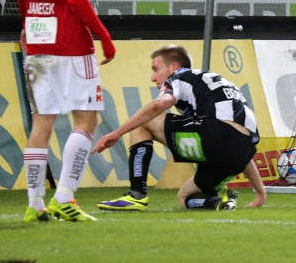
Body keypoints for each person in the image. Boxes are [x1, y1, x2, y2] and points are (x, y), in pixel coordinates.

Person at [18, 0, 116, 223]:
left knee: (42, 121)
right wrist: (103, 34)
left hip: (39, 40)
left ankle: (34, 205)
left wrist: (27, 25)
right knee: (86, 118)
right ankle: (65, 197)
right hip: (71, 44)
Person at [92, 44, 267, 210]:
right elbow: (238, 142)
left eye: (156, 69)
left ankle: (136, 195)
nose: (153, 77)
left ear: (173, 66)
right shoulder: (211, 84)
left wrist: (116, 133)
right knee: (185, 197)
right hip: (241, 152)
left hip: (216, 135)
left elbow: (158, 106)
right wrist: (260, 192)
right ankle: (219, 203)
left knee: (144, 122)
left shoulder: (178, 76)